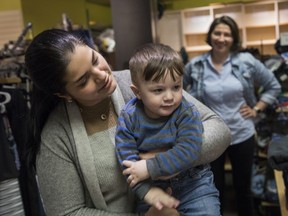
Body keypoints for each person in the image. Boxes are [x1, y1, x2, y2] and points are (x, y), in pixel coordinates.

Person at [24, 28, 231, 216]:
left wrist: (164, 161)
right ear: (63, 93)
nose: (102, 75)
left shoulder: (139, 81)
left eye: (95, 60)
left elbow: (219, 130)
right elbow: (67, 212)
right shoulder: (56, 135)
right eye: (83, 80)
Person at [183, 15, 281, 216]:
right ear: (210, 36)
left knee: (243, 189)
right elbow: (180, 92)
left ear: (233, 38)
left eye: (227, 34)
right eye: (217, 33)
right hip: (209, 136)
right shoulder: (196, 65)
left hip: (241, 133)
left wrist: (258, 108)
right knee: (213, 188)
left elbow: (273, 85)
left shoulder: (246, 61)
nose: (221, 38)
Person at [115, 43, 220, 215]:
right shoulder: (128, 117)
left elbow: (189, 150)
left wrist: (150, 167)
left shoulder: (186, 111)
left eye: (176, 87)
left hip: (194, 185)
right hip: (153, 187)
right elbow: (128, 164)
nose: (170, 97)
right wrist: (147, 192)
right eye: (158, 90)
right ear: (137, 92)